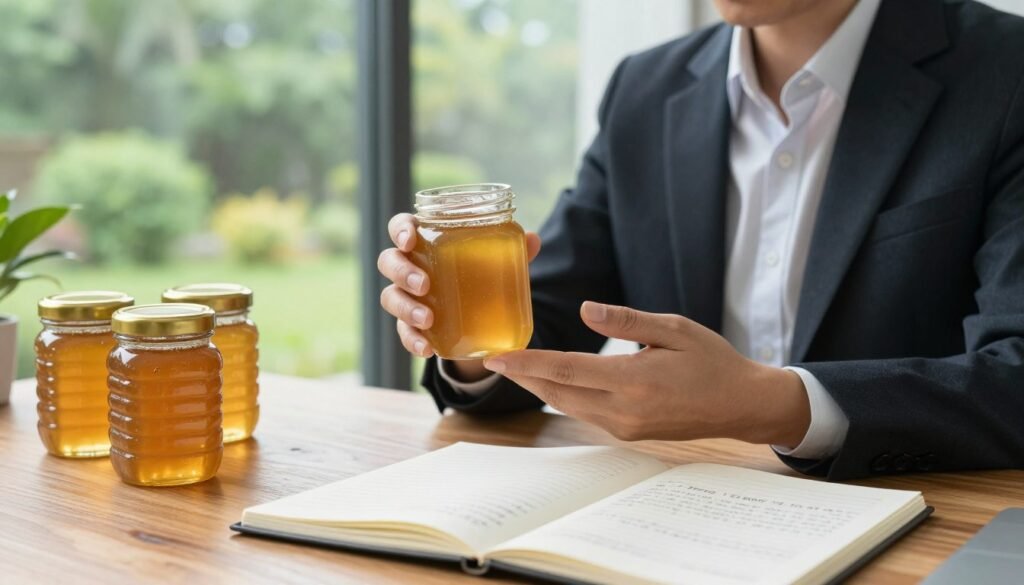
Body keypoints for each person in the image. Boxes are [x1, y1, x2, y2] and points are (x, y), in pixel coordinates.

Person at [378, 0, 1024, 480]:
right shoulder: (646, 88)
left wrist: (770, 405)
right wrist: (461, 333)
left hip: (924, 516)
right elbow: (545, 323)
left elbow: (1015, 376)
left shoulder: (1006, 74)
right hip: (681, 509)